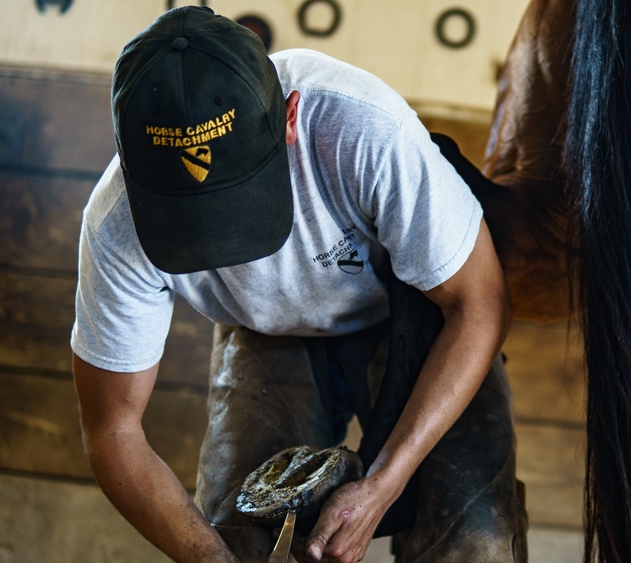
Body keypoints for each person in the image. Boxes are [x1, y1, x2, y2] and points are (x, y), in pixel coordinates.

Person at [70, 6, 526, 562]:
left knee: (475, 539)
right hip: (264, 331)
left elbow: (480, 303)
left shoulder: (362, 127)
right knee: (240, 539)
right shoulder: (115, 222)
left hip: (413, 315)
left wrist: (384, 485)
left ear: (290, 118)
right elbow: (114, 430)